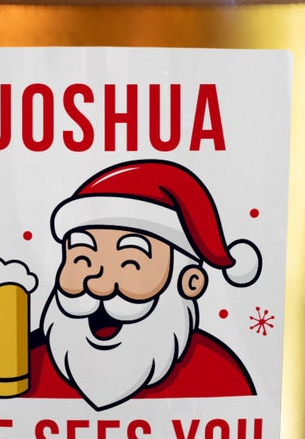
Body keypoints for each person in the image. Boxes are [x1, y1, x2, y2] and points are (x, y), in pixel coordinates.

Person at [26, 160, 261, 409]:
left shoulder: (219, 375)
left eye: (129, 263)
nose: (100, 286)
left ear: (190, 281)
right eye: (83, 260)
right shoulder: (29, 366)